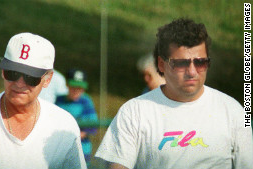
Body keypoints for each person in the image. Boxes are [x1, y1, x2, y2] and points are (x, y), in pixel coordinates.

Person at [95, 18, 253, 169]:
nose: (192, 72)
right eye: (181, 63)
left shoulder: (234, 111)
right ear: (161, 65)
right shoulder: (133, 112)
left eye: (200, 62)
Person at [0, 32, 87, 169]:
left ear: (48, 79)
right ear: (3, 71)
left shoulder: (64, 125)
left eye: (31, 77)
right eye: (12, 73)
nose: (19, 83)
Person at [55, 69, 98, 167]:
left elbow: (92, 127)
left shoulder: (86, 101)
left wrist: (71, 137)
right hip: (60, 149)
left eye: (80, 87)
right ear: (67, 85)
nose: (76, 90)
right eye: (73, 86)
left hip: (81, 149)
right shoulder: (59, 100)